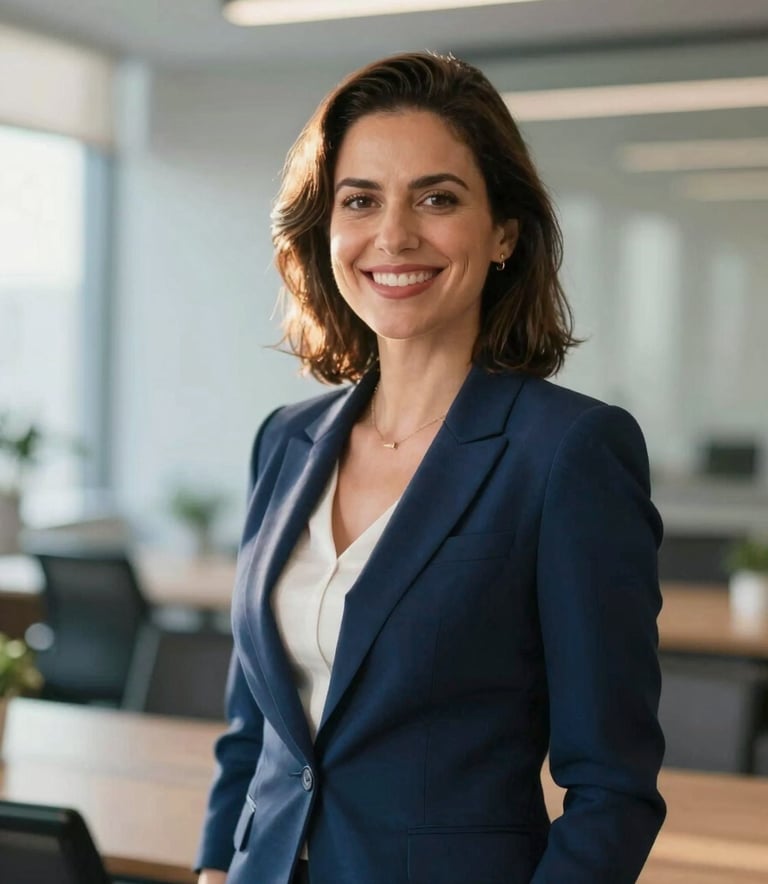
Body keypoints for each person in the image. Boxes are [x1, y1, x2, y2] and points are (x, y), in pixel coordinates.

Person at [196, 51, 665, 884]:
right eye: (360, 200)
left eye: (437, 198)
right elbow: (254, 729)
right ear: (325, 230)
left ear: (504, 235)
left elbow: (612, 787)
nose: (395, 235)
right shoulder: (285, 440)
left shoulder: (567, 452)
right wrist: (212, 867)